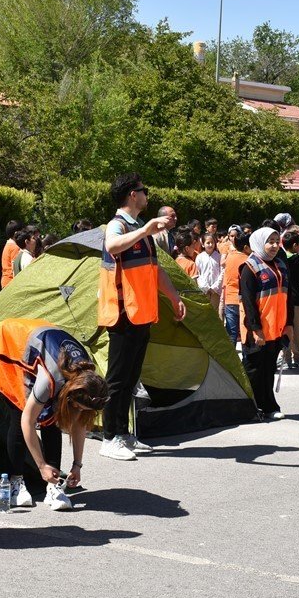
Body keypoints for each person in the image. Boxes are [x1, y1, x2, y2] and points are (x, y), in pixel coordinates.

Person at [0, 318, 109, 512]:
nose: (80, 412)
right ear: (70, 392)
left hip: (38, 345)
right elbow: (28, 422)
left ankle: (53, 484)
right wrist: (41, 466)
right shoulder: (50, 380)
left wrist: (77, 466)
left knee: (52, 420)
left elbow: (79, 424)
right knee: (20, 412)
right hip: (5, 348)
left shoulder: (88, 378)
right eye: (79, 407)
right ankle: (15, 482)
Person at [99, 174, 185, 460]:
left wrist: (174, 297)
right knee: (117, 379)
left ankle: (123, 434)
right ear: (132, 195)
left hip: (142, 313)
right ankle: (109, 437)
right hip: (123, 311)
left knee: (131, 377)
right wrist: (146, 229)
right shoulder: (118, 224)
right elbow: (112, 246)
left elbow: (156, 270)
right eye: (143, 191)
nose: (147, 195)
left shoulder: (138, 229)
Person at [238, 227, 293, 420]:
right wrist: (256, 329)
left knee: (268, 369)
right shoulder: (249, 267)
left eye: (277, 241)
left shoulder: (281, 265)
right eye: (270, 241)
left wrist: (289, 325)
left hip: (276, 330)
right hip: (258, 331)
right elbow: (248, 303)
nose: (275, 246)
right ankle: (246, 408)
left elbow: (288, 297)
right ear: (260, 242)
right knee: (253, 371)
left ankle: (268, 405)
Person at [282, 230, 299, 367]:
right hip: (298, 300)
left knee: (284, 328)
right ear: (294, 245)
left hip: (282, 300)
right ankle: (297, 355)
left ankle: (286, 356)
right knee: (298, 328)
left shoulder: (280, 261)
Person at [221, 232, 251, 345]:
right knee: (245, 333)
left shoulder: (229, 257)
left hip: (229, 298)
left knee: (231, 333)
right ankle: (245, 359)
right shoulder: (249, 260)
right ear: (246, 247)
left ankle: (230, 361)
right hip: (244, 299)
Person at [195, 232, 223, 311]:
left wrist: (215, 287)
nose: (210, 245)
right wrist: (205, 287)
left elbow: (222, 273)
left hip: (216, 290)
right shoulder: (200, 257)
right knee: (204, 310)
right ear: (203, 244)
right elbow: (198, 273)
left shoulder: (218, 256)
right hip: (204, 289)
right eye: (208, 243)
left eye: (212, 243)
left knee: (215, 311)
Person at [0, 220, 24, 288]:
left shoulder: (8, 244)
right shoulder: (15, 247)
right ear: (16, 233)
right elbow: (15, 267)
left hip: (6, 280)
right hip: (11, 282)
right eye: (22, 231)